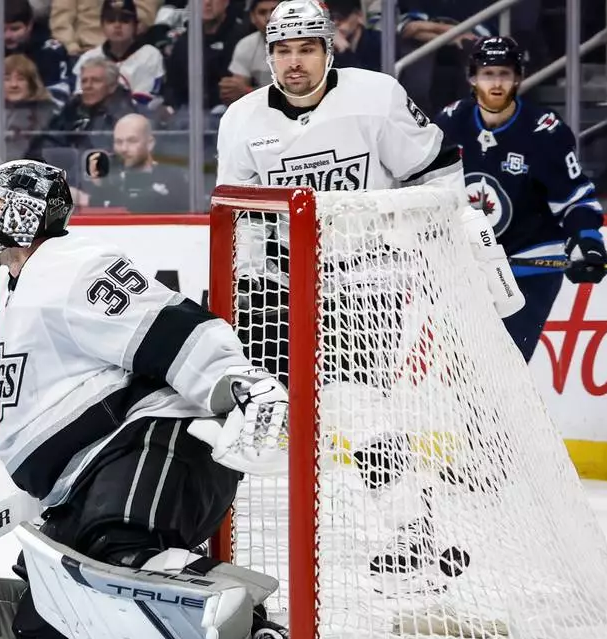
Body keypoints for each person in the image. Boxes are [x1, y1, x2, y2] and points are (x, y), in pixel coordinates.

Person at [0, 159, 291, 639]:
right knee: (45, 628)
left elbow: (169, 327)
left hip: (159, 443)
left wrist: (243, 384)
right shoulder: (25, 286)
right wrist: (30, 485)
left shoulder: (71, 265)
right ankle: (164, 622)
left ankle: (256, 630)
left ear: (23, 212)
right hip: (102, 466)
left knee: (117, 554)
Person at [214, 1, 524, 585]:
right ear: (269, 56)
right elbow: (240, 214)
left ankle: (411, 528)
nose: (295, 62)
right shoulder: (242, 120)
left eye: (307, 49)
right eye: (283, 50)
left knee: (355, 405)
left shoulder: (376, 96)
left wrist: (449, 242)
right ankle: (414, 526)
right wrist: (248, 280)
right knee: (319, 412)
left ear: (329, 51)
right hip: (286, 283)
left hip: (371, 274)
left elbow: (437, 172)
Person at [436, 36, 607, 362]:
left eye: (504, 74)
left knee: (505, 367)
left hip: (528, 266)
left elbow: (575, 199)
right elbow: (424, 185)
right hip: (470, 266)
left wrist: (587, 240)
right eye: (488, 74)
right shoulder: (451, 122)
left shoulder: (543, 132)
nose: (496, 83)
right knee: (461, 369)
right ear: (472, 78)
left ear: (518, 78)